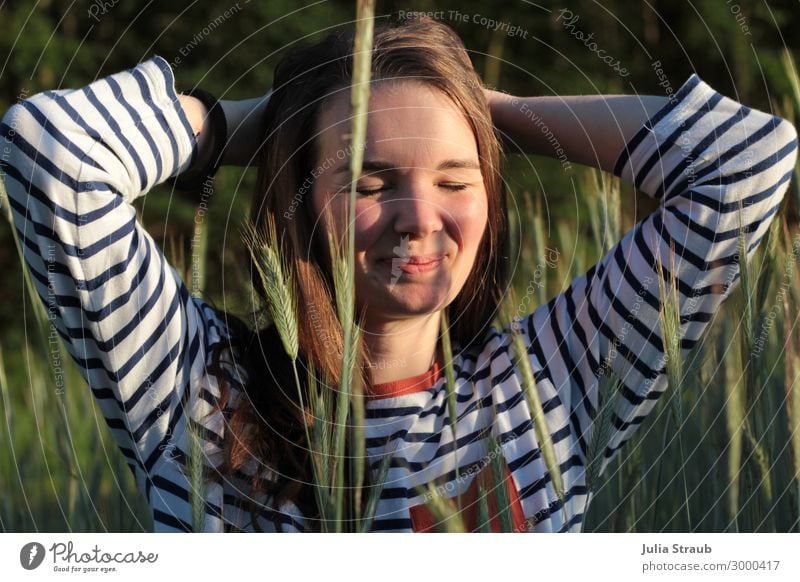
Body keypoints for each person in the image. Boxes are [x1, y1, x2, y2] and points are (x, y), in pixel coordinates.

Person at [1, 15, 796, 533]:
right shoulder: (191, 388)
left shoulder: (552, 380)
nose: (422, 217)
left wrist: (489, 111)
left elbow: (749, 158)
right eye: (372, 182)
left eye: (456, 180)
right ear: (299, 195)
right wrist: (283, 121)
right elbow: (50, 153)